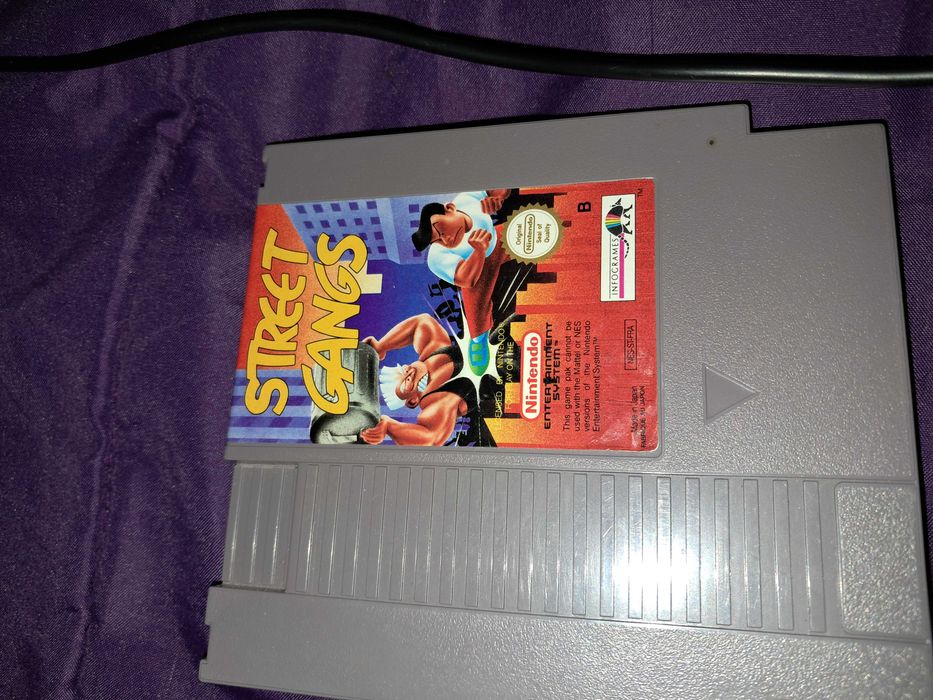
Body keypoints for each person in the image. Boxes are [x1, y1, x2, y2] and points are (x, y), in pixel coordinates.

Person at [411, 189, 511, 372]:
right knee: (475, 313)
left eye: (440, 229)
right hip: (476, 268)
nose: (446, 239)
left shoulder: (466, 200)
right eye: (438, 240)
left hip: (499, 240)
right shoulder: (436, 258)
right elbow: (467, 279)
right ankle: (479, 340)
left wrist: (498, 197)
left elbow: (497, 189)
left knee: (533, 226)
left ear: (450, 209)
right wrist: (479, 251)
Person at [358, 313, 490, 446]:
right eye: (406, 382)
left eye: (403, 370)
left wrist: (381, 346)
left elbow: (421, 323)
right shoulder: (436, 403)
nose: (408, 372)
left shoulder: (432, 353)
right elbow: (430, 438)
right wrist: (389, 426)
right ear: (412, 401)